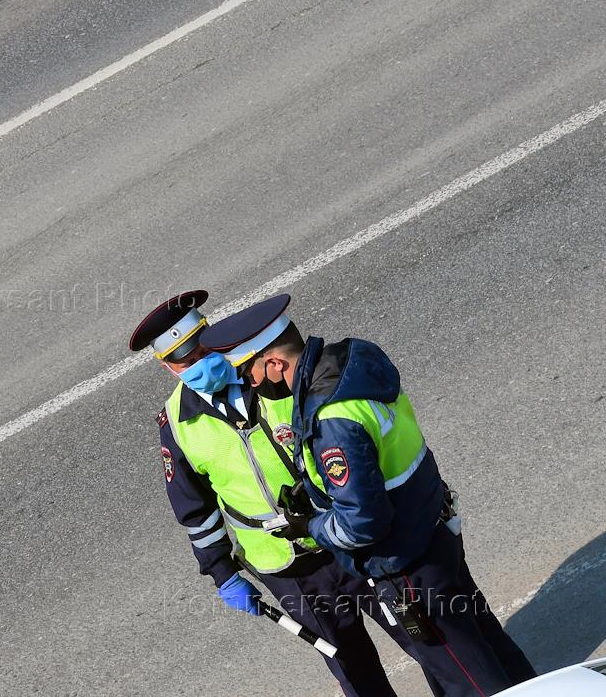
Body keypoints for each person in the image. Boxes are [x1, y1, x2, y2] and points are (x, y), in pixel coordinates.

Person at [205, 292, 537, 697]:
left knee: (465, 678)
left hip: (406, 566)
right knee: (492, 648)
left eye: (249, 371)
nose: (249, 383)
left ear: (274, 363)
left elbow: (362, 522)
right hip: (434, 530)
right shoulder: (351, 365)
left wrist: (311, 525)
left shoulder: (330, 418)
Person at [131, 290, 441, 697]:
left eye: (204, 350)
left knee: (423, 637)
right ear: (169, 368)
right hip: (286, 570)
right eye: (188, 362)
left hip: (344, 540)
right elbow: (195, 510)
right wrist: (223, 574)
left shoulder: (265, 373)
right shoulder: (176, 424)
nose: (202, 363)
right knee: (352, 669)